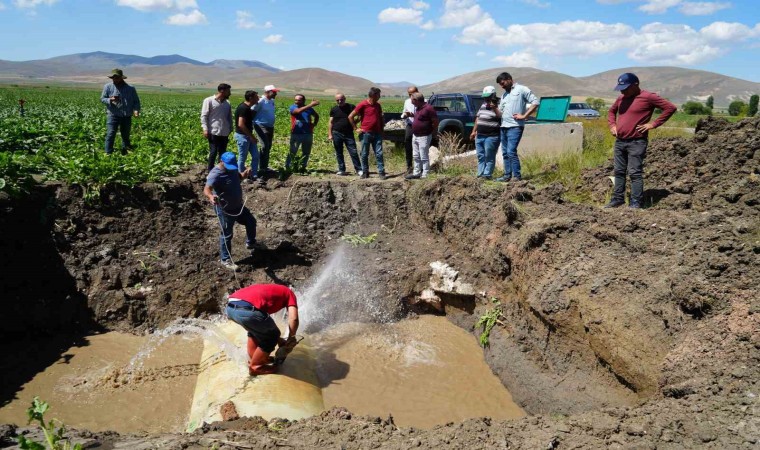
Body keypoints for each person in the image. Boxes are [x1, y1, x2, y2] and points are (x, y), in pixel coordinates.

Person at [606, 73, 676, 209]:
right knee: (619, 171)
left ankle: (636, 202)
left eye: (626, 88)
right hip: (620, 141)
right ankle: (617, 199)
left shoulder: (648, 97)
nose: (622, 91)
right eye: (621, 88)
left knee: (634, 172)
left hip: (637, 142)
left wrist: (653, 124)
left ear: (635, 85)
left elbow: (670, 108)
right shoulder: (621, 98)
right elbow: (611, 112)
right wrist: (612, 125)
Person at [225, 283, 299, 376]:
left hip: (230, 308)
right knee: (272, 334)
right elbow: (294, 318)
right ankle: (256, 367)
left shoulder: (271, 290)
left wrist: (279, 340)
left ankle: (254, 359)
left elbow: (261, 327)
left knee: (257, 330)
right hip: (247, 309)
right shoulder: (290, 293)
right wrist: (291, 338)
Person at [203, 152, 257, 271]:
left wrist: (245, 174)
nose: (231, 168)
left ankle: (251, 243)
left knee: (251, 221)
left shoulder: (232, 169)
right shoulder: (215, 174)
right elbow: (207, 189)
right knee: (227, 234)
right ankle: (225, 259)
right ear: (221, 161)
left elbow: (238, 178)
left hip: (238, 206)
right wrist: (211, 197)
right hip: (225, 209)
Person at [495, 72, 539, 182]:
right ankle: (507, 176)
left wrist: (524, 116)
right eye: (500, 84)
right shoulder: (504, 95)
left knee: (511, 151)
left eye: (503, 83)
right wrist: (493, 108)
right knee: (505, 153)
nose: (502, 86)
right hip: (504, 126)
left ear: (509, 79)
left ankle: (517, 176)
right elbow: (500, 113)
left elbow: (535, 102)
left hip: (515, 127)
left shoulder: (521, 89)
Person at [348, 87, 386, 180]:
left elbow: (380, 118)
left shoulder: (378, 105)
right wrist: (355, 128)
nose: (380, 96)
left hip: (377, 133)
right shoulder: (363, 104)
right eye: (378, 95)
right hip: (366, 133)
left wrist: (382, 130)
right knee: (364, 153)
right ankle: (365, 172)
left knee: (379, 153)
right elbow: (350, 116)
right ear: (373, 95)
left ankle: (381, 172)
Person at [100, 68, 141, 155]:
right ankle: (108, 153)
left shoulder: (131, 88)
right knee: (111, 133)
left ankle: (125, 151)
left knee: (125, 134)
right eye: (113, 78)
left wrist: (136, 110)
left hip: (126, 115)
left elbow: (136, 101)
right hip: (113, 114)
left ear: (121, 78)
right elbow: (102, 99)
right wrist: (110, 100)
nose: (115, 79)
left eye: (117, 78)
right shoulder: (108, 87)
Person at [469, 86, 502, 179]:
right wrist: (473, 131)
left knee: (489, 156)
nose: (486, 98)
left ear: (493, 95)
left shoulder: (499, 104)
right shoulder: (483, 104)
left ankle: (487, 175)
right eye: (485, 97)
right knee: (480, 155)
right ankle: (480, 174)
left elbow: (501, 117)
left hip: (492, 136)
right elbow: (478, 118)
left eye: (488, 97)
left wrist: (494, 107)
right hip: (479, 135)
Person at [405, 92, 438, 179]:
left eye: (412, 100)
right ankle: (416, 172)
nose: (411, 102)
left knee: (423, 155)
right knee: (415, 155)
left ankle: (425, 174)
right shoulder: (418, 108)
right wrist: (410, 115)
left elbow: (435, 121)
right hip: (415, 135)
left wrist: (433, 132)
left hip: (424, 135)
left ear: (416, 100)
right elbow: (419, 118)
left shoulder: (429, 108)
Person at [201, 83, 233, 172]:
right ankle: (210, 170)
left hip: (224, 132)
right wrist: (205, 129)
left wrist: (231, 127)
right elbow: (204, 116)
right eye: (228, 91)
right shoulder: (209, 100)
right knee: (213, 151)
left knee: (223, 153)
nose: (230, 93)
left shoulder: (227, 103)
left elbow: (229, 117)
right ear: (222, 91)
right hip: (213, 131)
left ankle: (220, 170)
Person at [328, 93, 362, 176]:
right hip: (336, 133)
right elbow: (331, 122)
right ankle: (341, 169)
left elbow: (360, 116)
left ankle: (359, 170)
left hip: (348, 133)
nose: (340, 101)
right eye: (337, 100)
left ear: (345, 99)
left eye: (341, 99)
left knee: (353, 152)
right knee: (339, 152)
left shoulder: (351, 107)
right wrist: (330, 134)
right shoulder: (334, 109)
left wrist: (354, 123)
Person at [252, 85, 280, 184]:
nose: (276, 93)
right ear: (268, 92)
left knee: (268, 146)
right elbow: (252, 112)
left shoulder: (272, 101)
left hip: (270, 127)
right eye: (274, 92)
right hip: (260, 126)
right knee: (264, 146)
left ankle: (265, 166)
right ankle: (262, 168)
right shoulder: (260, 101)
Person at [287, 94, 320, 173]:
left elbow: (316, 116)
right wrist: (311, 105)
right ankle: (288, 167)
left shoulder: (309, 109)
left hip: (308, 133)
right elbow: (298, 111)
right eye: (295, 100)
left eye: (299, 100)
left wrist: (314, 124)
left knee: (306, 152)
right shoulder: (293, 107)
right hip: (296, 133)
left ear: (303, 101)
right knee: (293, 151)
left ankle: (302, 167)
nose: (296, 102)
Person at [234, 90, 259, 182]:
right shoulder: (243, 108)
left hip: (247, 135)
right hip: (242, 136)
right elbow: (241, 124)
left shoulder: (248, 108)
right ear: (251, 98)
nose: (258, 98)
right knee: (242, 157)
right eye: (256, 97)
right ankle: (241, 176)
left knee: (256, 155)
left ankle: (254, 175)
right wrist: (251, 136)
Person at [401, 86, 419, 174]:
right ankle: (409, 166)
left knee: (419, 146)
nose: (410, 96)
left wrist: (413, 115)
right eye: (409, 94)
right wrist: (405, 115)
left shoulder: (425, 101)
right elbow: (404, 111)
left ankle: (419, 166)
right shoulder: (407, 102)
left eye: (412, 94)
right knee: (408, 144)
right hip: (410, 125)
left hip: (420, 126)